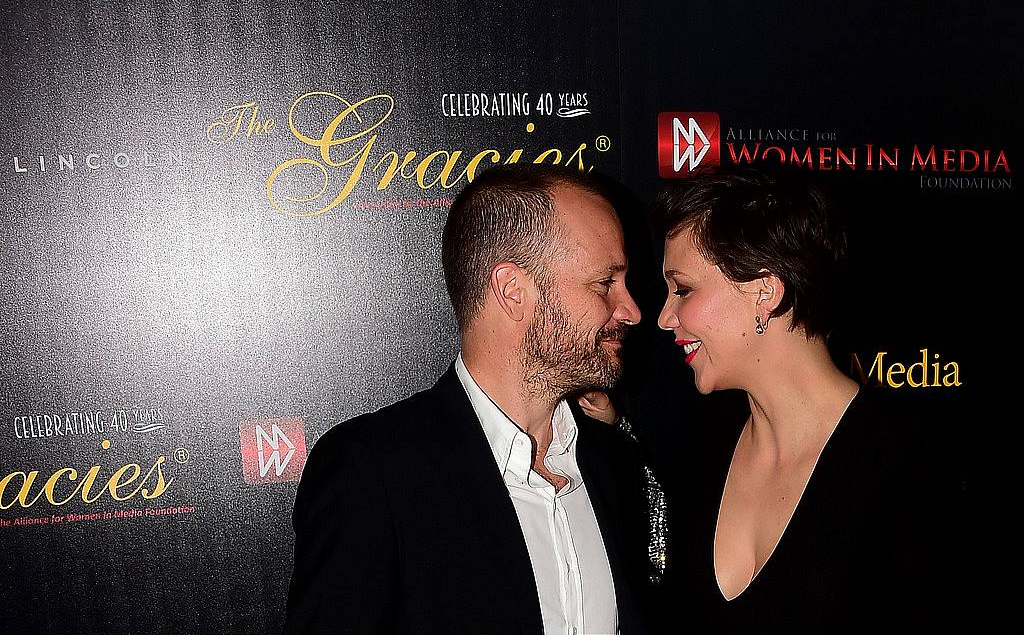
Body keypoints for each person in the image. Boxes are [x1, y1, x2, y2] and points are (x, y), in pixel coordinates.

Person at [581, 169, 966, 634]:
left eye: (683, 289)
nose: (664, 317)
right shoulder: (703, 446)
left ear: (765, 290)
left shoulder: (909, 467)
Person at [284, 164, 655, 635]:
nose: (632, 309)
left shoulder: (612, 464)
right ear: (513, 291)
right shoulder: (376, 472)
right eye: (604, 283)